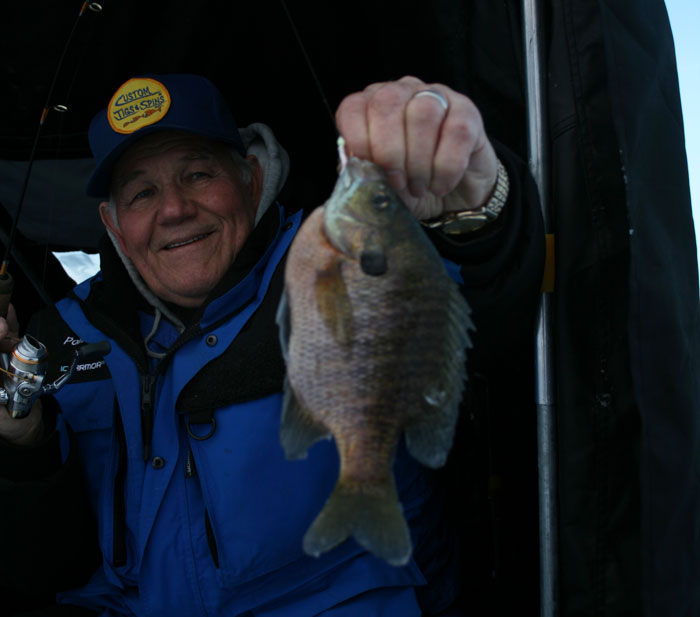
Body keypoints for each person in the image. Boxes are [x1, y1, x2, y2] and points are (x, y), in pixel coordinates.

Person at [0, 73, 544, 616]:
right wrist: (23, 444)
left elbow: (482, 306)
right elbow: (42, 566)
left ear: (253, 177)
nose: (173, 209)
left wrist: (476, 208)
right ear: (114, 225)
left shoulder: (338, 259)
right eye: (142, 192)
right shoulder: (55, 340)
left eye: (198, 173)